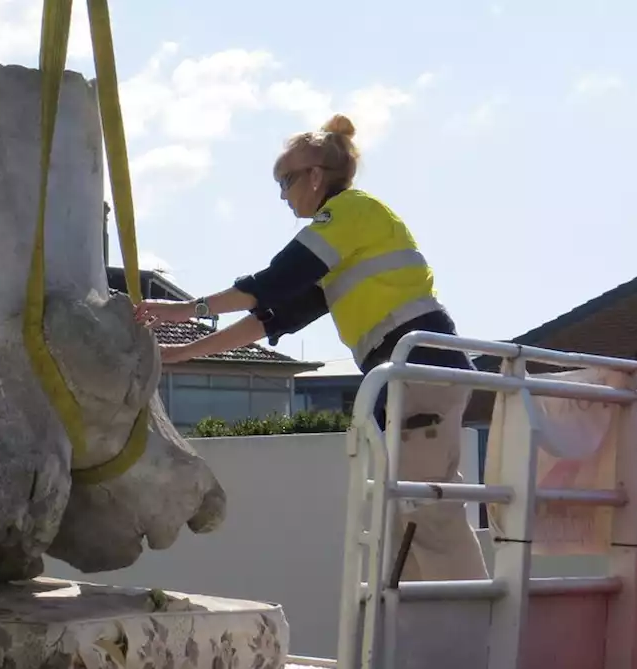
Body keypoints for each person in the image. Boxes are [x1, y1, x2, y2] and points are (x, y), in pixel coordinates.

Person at [132, 113, 488, 582]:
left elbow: (275, 282)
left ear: (315, 177)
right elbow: (271, 317)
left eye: (285, 181)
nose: (283, 195)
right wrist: (184, 352)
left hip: (416, 368)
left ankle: (471, 639)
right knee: (404, 515)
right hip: (406, 374)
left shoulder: (348, 214)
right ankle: (420, 638)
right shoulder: (345, 244)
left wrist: (183, 310)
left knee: (429, 515)